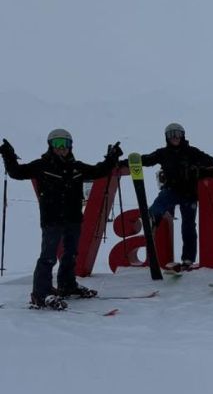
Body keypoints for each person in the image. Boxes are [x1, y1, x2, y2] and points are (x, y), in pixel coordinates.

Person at [0, 130, 122, 310]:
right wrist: (8, 155)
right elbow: (17, 172)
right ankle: (40, 294)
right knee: (48, 256)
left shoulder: (76, 167)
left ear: (70, 146)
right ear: (50, 145)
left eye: (65, 143)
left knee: (71, 253)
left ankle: (67, 285)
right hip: (52, 218)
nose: (62, 148)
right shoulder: (42, 165)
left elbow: (98, 171)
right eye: (57, 144)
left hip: (73, 217)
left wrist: (112, 158)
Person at [127, 123, 213, 269]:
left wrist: (197, 168)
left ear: (183, 135)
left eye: (177, 134)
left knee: (188, 226)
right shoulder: (163, 153)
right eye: (171, 134)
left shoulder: (192, 152)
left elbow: (210, 161)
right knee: (162, 199)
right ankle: (152, 217)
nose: (174, 137)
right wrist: (126, 162)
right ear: (166, 137)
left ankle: (188, 259)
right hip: (172, 190)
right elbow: (148, 159)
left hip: (189, 194)